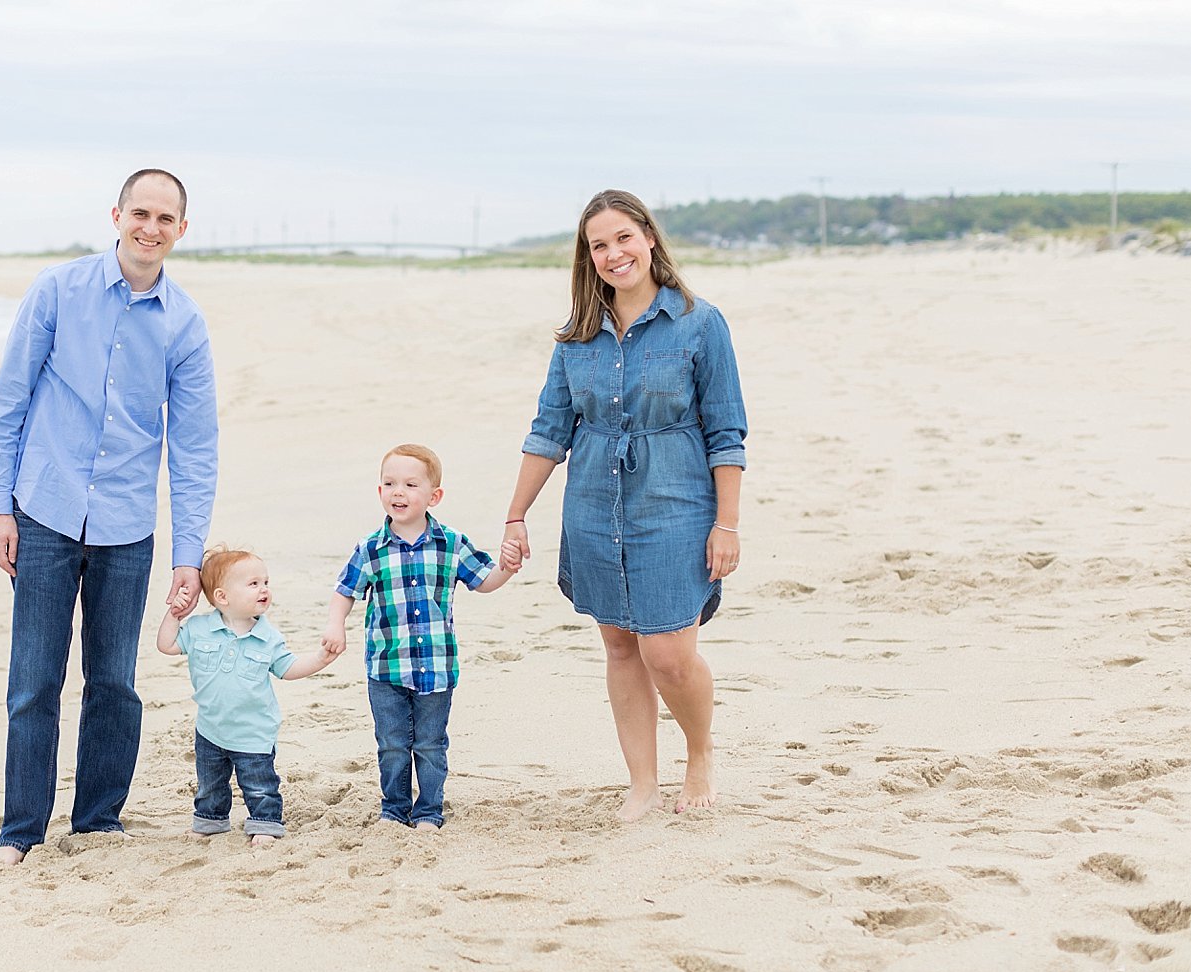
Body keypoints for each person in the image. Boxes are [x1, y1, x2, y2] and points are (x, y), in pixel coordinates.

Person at [0, 169, 219, 864]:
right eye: (139, 212)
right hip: (45, 511)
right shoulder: (57, 291)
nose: (150, 227)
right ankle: (20, 829)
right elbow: (8, 401)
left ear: (181, 230)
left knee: (114, 683)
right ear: (116, 215)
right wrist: (0, 505)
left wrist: (188, 553)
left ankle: (96, 821)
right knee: (33, 680)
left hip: (125, 526)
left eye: (165, 218)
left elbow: (195, 446)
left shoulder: (185, 323)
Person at [501, 189, 747, 822]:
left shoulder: (699, 323)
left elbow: (726, 433)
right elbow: (549, 430)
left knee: (668, 652)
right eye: (599, 246)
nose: (614, 254)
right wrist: (515, 514)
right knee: (618, 645)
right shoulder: (576, 337)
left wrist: (727, 523)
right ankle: (642, 781)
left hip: (676, 503)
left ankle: (699, 753)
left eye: (623, 239)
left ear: (650, 238)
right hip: (592, 505)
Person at [323, 444, 518, 831]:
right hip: (386, 666)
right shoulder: (370, 548)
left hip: (437, 667)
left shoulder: (451, 543)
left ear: (434, 496)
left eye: (411, 484)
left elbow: (485, 581)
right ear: (379, 491)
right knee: (392, 745)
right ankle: (394, 809)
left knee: (430, 745)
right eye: (389, 483)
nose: (398, 492)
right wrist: (335, 625)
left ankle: (429, 810)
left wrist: (507, 569)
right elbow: (345, 590)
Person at [156, 547, 334, 848]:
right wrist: (173, 614)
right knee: (211, 783)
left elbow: (288, 669)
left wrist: (320, 659)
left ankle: (265, 822)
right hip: (211, 728)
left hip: (254, 731)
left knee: (260, 784)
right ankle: (210, 821)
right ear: (222, 597)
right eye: (253, 584)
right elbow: (167, 645)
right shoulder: (199, 630)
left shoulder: (268, 638)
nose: (263, 589)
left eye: (265, 582)